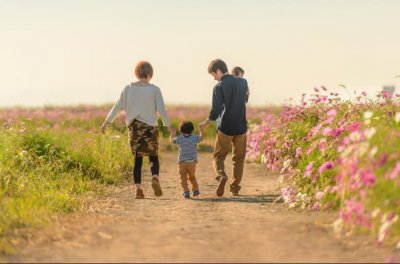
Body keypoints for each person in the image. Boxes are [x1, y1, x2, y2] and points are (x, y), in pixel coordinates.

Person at [101, 61, 172, 199]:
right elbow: (162, 109)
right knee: (153, 157)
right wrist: (169, 126)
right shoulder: (155, 89)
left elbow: (117, 106)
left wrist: (106, 122)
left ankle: (139, 190)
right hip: (150, 128)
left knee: (137, 160)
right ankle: (155, 177)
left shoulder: (128, 89)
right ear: (150, 74)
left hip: (134, 129)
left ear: (136, 73)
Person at [199, 59, 249, 197]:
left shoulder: (219, 87)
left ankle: (221, 176)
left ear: (219, 71)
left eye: (213, 75)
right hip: (241, 127)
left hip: (225, 127)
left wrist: (205, 122)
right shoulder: (243, 82)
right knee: (239, 159)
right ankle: (235, 188)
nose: (214, 78)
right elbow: (245, 100)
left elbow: (215, 112)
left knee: (218, 157)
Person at [170, 121, 204, 198]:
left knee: (183, 178)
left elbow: (171, 141)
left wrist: (172, 132)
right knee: (192, 177)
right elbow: (201, 138)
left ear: (181, 130)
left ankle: (186, 192)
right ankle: (195, 189)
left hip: (182, 162)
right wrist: (201, 130)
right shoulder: (195, 137)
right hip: (192, 162)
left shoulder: (179, 138)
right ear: (192, 130)